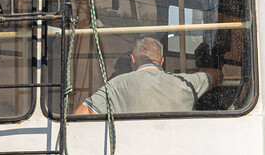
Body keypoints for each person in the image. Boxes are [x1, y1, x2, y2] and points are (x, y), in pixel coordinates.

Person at [75, 36, 218, 116]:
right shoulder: (186, 82)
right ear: (162, 61)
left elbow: (80, 116)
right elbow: (216, 75)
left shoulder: (116, 84)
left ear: (132, 60)